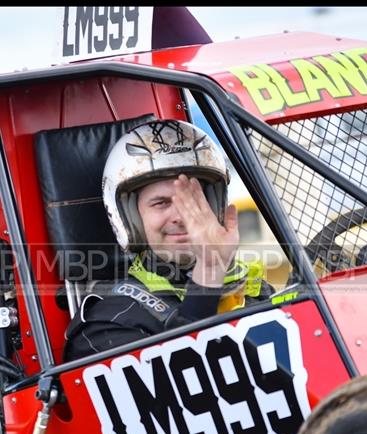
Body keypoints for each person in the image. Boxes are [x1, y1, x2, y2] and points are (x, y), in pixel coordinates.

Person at [64, 119, 273, 361]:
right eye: (161, 203)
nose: (181, 217)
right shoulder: (106, 325)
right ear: (131, 219)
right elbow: (186, 385)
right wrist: (209, 269)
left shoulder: (256, 291)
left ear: (215, 205)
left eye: (193, 200)